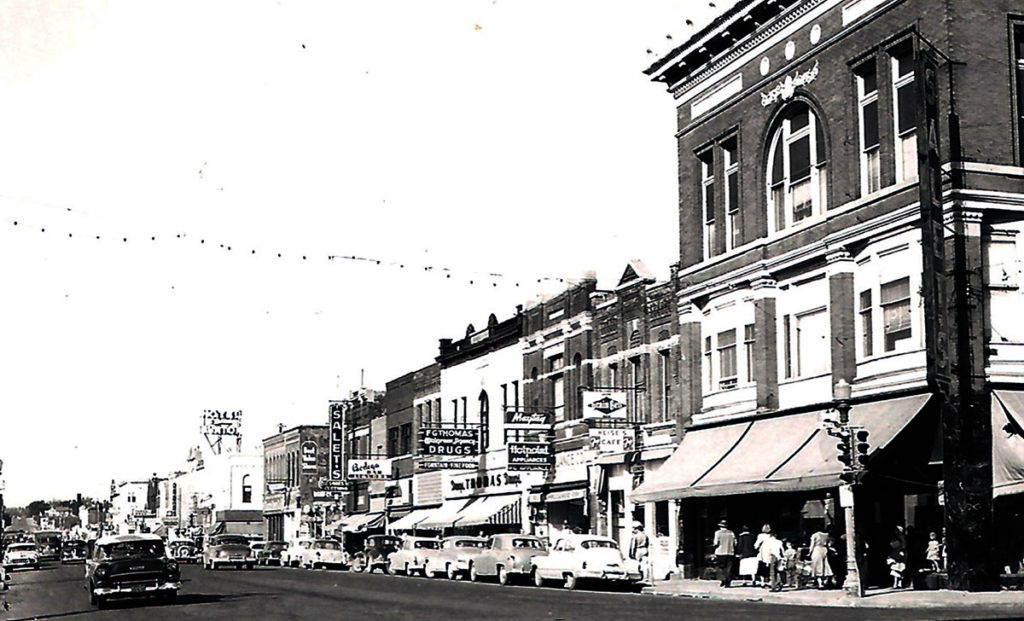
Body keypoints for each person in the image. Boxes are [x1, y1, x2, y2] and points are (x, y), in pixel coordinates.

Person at [713, 520, 736, 588]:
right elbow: (735, 543)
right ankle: (727, 581)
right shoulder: (731, 533)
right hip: (730, 552)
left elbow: (716, 543)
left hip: (720, 552)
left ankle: (724, 579)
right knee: (729, 567)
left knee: (721, 567)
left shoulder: (718, 533)